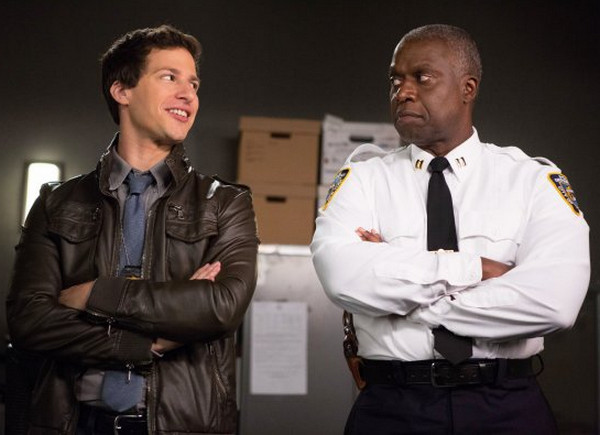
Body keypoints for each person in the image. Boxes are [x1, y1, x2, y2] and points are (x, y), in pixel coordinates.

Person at [311, 24, 590, 434]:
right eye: (395, 80)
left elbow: (554, 303)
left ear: (467, 88)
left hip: (507, 408)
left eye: (422, 77)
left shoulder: (532, 181)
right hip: (392, 408)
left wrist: (407, 298)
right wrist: (478, 270)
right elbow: (343, 278)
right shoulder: (363, 180)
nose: (403, 92)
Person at [7, 24, 258, 435]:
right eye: (170, 77)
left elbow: (220, 306)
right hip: (73, 424)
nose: (188, 94)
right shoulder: (56, 202)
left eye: (193, 83)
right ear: (122, 90)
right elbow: (29, 321)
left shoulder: (226, 203)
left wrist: (94, 294)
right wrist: (147, 343)